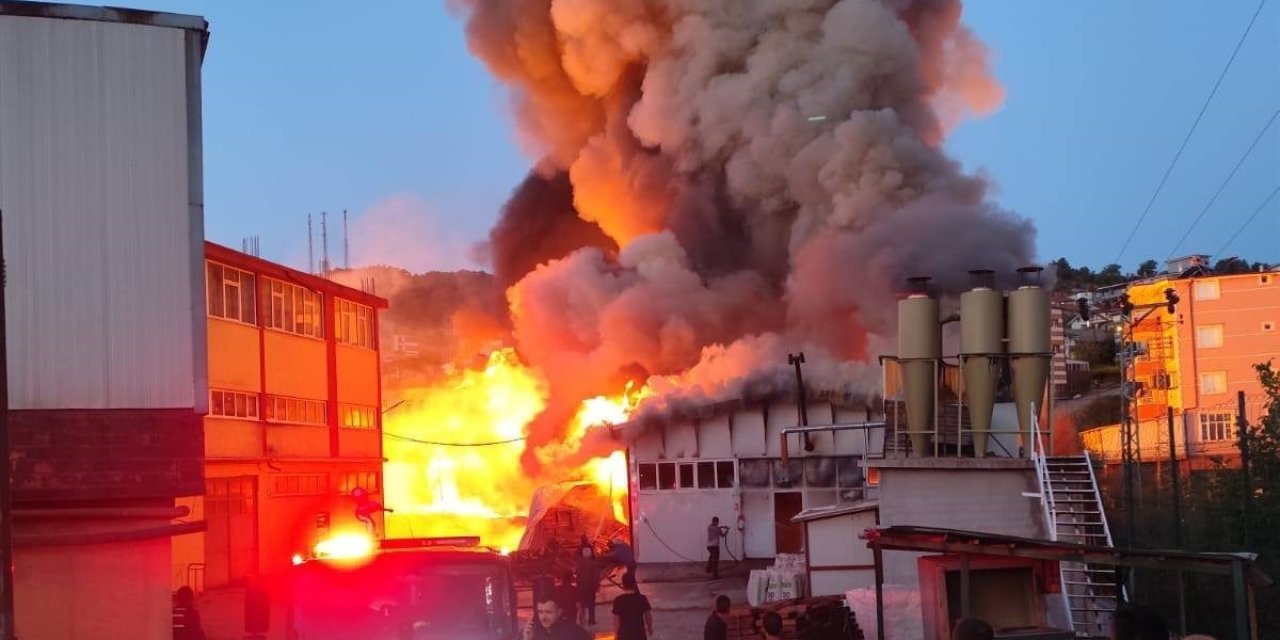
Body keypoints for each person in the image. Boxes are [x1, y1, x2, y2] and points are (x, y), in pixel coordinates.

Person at [523, 596, 591, 640]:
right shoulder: (532, 631)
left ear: (559, 612)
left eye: (548, 612)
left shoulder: (575, 632)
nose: (544, 617)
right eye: (540, 612)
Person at [612, 573, 652, 640]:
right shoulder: (642, 598)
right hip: (639, 633)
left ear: (623, 584)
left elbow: (616, 620)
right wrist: (649, 628)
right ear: (634, 584)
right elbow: (648, 615)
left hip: (624, 635)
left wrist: (616, 634)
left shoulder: (618, 600)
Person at [575, 545, 601, 627]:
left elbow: (577, 574)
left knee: (581, 603)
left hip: (581, 586)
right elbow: (596, 576)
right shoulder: (594, 564)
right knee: (591, 604)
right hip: (590, 586)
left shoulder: (579, 563)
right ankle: (591, 620)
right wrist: (597, 586)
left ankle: (582, 619)